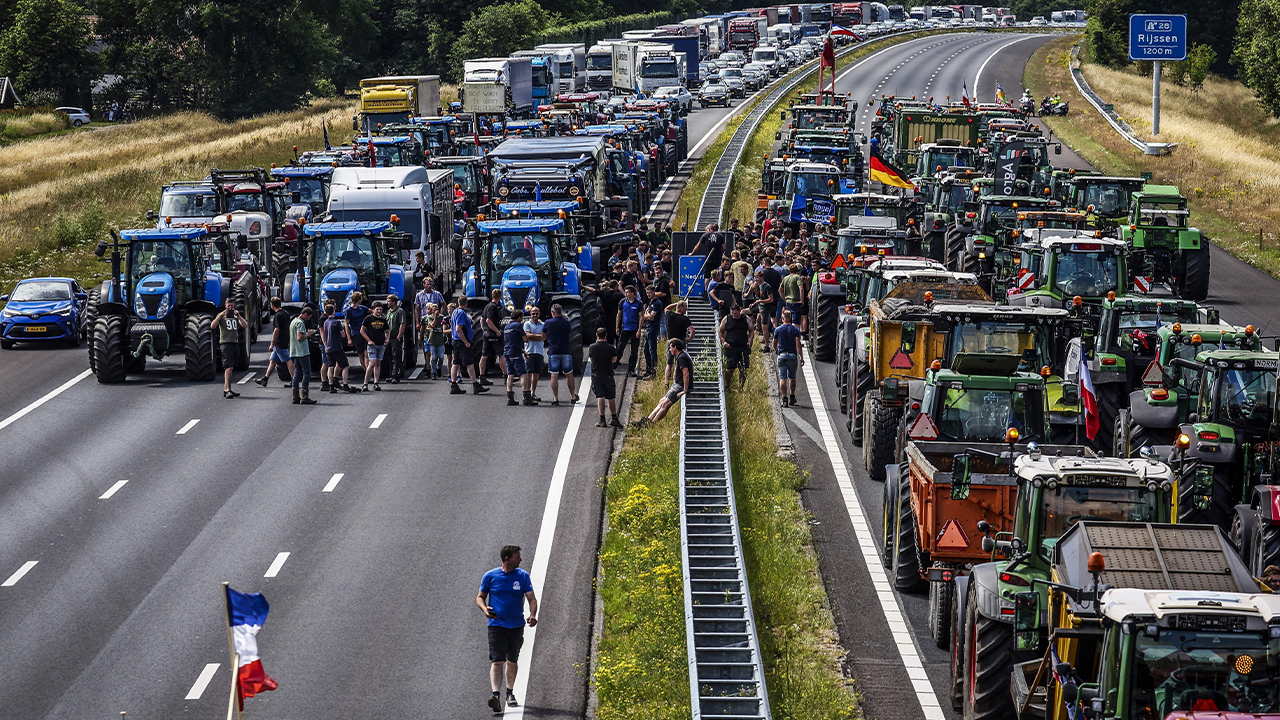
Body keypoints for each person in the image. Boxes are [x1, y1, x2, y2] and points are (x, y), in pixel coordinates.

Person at [476, 545, 537, 714]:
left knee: (512, 659)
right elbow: (480, 597)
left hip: (516, 625)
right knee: (497, 660)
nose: (521, 559)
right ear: (507, 559)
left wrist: (532, 614)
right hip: (496, 626)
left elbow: (531, 598)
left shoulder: (523, 576)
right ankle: (495, 695)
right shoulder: (490, 576)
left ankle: (510, 693)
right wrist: (485, 609)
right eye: (518, 556)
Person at [633, 338, 693, 427]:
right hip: (677, 384)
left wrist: (685, 390)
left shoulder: (681, 357)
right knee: (662, 401)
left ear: (675, 347)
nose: (669, 350)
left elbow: (686, 373)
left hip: (680, 386)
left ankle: (650, 424)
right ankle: (648, 420)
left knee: (665, 405)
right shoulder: (681, 356)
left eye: (670, 347)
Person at [450, 302, 489, 394]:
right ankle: (475, 385)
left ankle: (453, 385)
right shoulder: (461, 313)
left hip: (455, 341)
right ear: (466, 303)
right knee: (469, 363)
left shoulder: (455, 311)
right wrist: (466, 342)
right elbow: (458, 329)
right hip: (461, 342)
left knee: (456, 363)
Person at [544, 304, 578, 406]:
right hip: (565, 351)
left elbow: (543, 336)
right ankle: (572, 396)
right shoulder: (567, 322)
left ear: (552, 313)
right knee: (569, 374)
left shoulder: (548, 322)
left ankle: (555, 397)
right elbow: (569, 334)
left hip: (553, 351)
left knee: (554, 375)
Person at [213, 298, 248, 399]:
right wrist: (220, 316)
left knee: (231, 367)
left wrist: (239, 315)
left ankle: (227, 388)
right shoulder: (222, 316)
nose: (230, 308)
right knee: (228, 367)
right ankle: (227, 389)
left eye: (232, 306)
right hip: (225, 343)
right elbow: (212, 326)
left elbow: (245, 325)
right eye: (229, 306)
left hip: (235, 343)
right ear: (225, 306)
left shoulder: (235, 316)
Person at [588, 328, 622, 428]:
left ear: (597, 335)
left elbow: (591, 358)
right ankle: (614, 418)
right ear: (606, 335)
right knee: (611, 397)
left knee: (600, 396)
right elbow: (614, 360)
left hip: (596, 374)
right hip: (608, 374)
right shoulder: (611, 348)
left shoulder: (592, 347)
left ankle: (602, 419)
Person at [255, 297, 292, 387]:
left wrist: (272, 344)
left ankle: (294, 379)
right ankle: (265, 379)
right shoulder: (285, 313)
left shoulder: (277, 316)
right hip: (285, 338)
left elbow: (276, 330)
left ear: (272, 305)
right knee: (273, 360)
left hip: (280, 341)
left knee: (287, 360)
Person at [322, 302, 357, 393]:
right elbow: (343, 334)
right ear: (334, 311)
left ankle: (331, 386)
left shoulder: (325, 322)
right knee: (345, 366)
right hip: (337, 347)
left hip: (328, 347)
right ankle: (345, 384)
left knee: (331, 366)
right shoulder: (336, 322)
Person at [719, 303, 755, 390]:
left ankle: (741, 387)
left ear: (740, 311)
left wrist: (750, 340)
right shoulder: (727, 319)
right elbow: (720, 331)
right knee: (730, 369)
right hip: (731, 347)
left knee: (743, 369)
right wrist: (723, 342)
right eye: (732, 313)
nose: (733, 315)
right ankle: (727, 385)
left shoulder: (746, 319)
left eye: (735, 313)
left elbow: (751, 330)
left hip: (743, 346)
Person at [774, 309, 804, 407]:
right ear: (790, 318)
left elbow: (774, 343)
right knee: (792, 377)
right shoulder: (795, 329)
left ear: (782, 318)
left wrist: (777, 350)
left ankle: (784, 399)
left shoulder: (778, 330)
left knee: (783, 378)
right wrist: (801, 356)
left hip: (782, 355)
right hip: (792, 355)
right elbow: (798, 344)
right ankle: (792, 397)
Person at [290, 306, 318, 404]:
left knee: (297, 373)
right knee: (307, 373)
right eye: (309, 317)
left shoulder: (293, 321)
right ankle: (304, 396)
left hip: (294, 351)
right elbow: (300, 337)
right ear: (305, 314)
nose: (309, 319)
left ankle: (295, 396)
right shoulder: (300, 323)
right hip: (302, 351)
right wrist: (309, 334)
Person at [503, 309, 532, 406]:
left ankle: (509, 397)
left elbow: (510, 341)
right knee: (523, 374)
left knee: (510, 375)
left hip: (507, 352)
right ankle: (526, 396)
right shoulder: (518, 325)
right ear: (519, 317)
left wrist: (522, 350)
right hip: (515, 353)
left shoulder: (506, 327)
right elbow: (525, 339)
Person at [359, 303, 389, 391]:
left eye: (380, 309)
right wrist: (368, 340)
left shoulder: (383, 319)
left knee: (378, 363)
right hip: (372, 345)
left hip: (381, 344)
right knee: (372, 363)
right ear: (373, 310)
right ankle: (365, 383)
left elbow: (387, 331)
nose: (379, 311)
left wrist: (387, 339)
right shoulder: (368, 319)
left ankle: (376, 383)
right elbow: (362, 331)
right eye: (377, 309)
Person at [615, 286, 643, 376]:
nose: (626, 294)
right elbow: (619, 314)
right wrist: (617, 327)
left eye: (628, 292)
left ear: (633, 293)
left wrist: (639, 330)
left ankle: (632, 369)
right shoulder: (623, 302)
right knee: (620, 348)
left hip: (634, 329)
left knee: (634, 350)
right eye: (625, 292)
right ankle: (614, 365)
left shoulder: (638, 303)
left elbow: (641, 317)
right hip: (625, 328)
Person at [480, 289, 504, 383]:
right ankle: (506, 375)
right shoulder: (493, 307)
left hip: (486, 334)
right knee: (501, 355)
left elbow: (482, 319)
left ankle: (482, 376)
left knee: (484, 355)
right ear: (500, 297)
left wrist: (484, 330)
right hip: (492, 334)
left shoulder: (486, 306)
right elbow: (488, 320)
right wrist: (497, 331)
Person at [523, 306, 547, 402]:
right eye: (533, 313)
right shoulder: (527, 324)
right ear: (530, 314)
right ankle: (527, 393)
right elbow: (527, 336)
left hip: (539, 352)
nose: (535, 315)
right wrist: (539, 337)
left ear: (539, 314)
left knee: (536, 374)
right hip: (529, 351)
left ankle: (533, 393)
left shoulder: (543, 324)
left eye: (536, 313)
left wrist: (533, 336)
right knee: (529, 373)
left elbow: (544, 337)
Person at [344, 291, 370, 373]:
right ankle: (365, 370)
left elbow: (372, 311)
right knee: (361, 353)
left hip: (364, 332)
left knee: (367, 353)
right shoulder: (349, 311)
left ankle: (368, 371)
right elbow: (346, 325)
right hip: (356, 333)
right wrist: (349, 338)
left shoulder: (362, 308)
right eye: (361, 299)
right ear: (358, 300)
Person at [642, 285, 664, 378]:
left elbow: (651, 317)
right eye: (647, 293)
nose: (648, 295)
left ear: (654, 292)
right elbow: (646, 314)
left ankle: (653, 371)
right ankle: (648, 369)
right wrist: (647, 314)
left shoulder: (657, 303)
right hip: (648, 328)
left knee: (652, 350)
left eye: (650, 293)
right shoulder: (651, 302)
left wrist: (646, 314)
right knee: (646, 350)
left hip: (653, 328)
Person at [422, 303, 448, 380]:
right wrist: (435, 318)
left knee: (441, 357)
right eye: (434, 310)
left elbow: (444, 326)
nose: (436, 311)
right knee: (433, 357)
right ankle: (434, 372)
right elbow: (432, 325)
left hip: (440, 340)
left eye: (437, 309)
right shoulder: (429, 317)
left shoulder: (442, 317)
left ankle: (439, 368)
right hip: (432, 340)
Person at [385, 294, 407, 383]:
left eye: (389, 301)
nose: (387, 303)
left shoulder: (400, 311)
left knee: (396, 356)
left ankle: (396, 376)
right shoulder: (389, 311)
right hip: (388, 337)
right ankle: (392, 374)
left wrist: (399, 336)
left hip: (395, 337)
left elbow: (402, 324)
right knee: (389, 356)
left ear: (394, 302)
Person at [780, 263, 808, 332]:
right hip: (796, 302)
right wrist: (801, 300)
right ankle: (795, 337)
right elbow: (801, 288)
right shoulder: (797, 277)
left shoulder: (785, 278)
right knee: (796, 321)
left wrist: (785, 299)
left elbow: (780, 290)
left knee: (788, 320)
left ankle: (788, 335)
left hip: (788, 302)